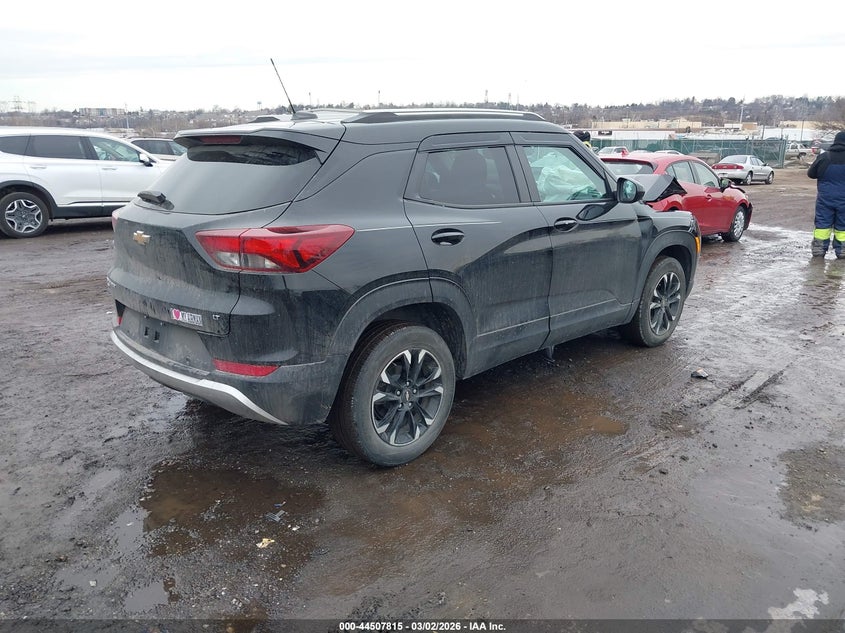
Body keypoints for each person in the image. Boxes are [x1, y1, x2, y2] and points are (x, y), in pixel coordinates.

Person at [807, 130, 845, 258]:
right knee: (843, 226)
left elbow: (811, 174)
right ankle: (842, 251)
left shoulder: (824, 157)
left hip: (825, 199)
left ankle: (818, 250)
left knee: (822, 225)